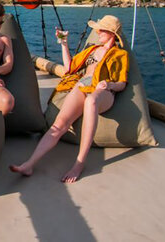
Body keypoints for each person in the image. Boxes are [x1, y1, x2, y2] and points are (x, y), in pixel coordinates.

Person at [10, 15, 129, 183]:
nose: (98, 31)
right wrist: (64, 44)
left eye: (102, 29)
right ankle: (29, 164)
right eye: (98, 29)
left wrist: (109, 85)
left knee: (91, 101)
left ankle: (79, 163)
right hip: (83, 84)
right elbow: (70, 68)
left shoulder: (120, 54)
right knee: (59, 124)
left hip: (104, 91)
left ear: (111, 33)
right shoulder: (92, 50)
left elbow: (122, 83)